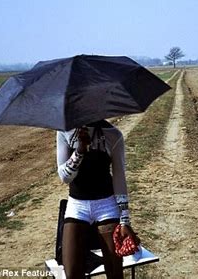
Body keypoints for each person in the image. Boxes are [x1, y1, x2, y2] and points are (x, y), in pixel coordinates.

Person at [56, 119, 138, 279]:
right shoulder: (65, 131)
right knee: (71, 273)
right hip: (77, 206)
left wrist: (125, 221)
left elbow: (119, 179)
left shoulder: (113, 135)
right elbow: (64, 177)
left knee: (115, 273)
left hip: (106, 205)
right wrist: (79, 151)